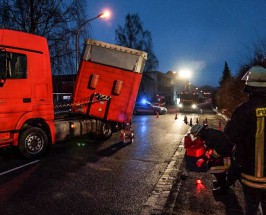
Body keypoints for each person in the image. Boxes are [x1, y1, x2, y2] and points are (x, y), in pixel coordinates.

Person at [224, 65, 266, 215]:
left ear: (249, 90)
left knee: (252, 209)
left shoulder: (243, 110)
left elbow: (230, 136)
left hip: (250, 176)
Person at [190, 124, 232, 195]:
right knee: (212, 164)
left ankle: (223, 188)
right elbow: (209, 151)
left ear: (200, 134)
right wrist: (203, 159)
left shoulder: (209, 137)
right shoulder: (209, 134)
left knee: (214, 167)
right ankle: (221, 182)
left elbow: (219, 150)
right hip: (225, 156)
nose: (197, 138)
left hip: (226, 158)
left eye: (197, 136)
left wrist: (210, 159)